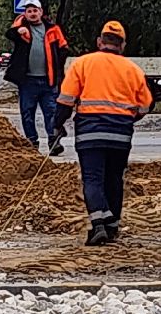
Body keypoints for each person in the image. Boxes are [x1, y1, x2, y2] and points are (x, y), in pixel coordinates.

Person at [51, 20, 153, 245]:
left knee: (93, 179)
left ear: (100, 41)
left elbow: (66, 100)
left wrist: (57, 125)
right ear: (123, 45)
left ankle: (99, 222)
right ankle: (112, 225)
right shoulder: (133, 70)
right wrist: (128, 118)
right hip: (121, 133)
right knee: (115, 178)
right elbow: (145, 105)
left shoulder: (83, 64)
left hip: (90, 131)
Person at [5, 0, 69, 155]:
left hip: (49, 80)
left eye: (35, 10)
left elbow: (64, 48)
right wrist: (19, 28)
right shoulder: (21, 30)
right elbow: (9, 34)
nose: (32, 14)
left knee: (51, 112)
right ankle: (31, 142)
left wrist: (57, 69)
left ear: (41, 12)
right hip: (27, 81)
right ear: (25, 14)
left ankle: (54, 142)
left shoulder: (53, 29)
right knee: (27, 112)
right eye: (29, 11)